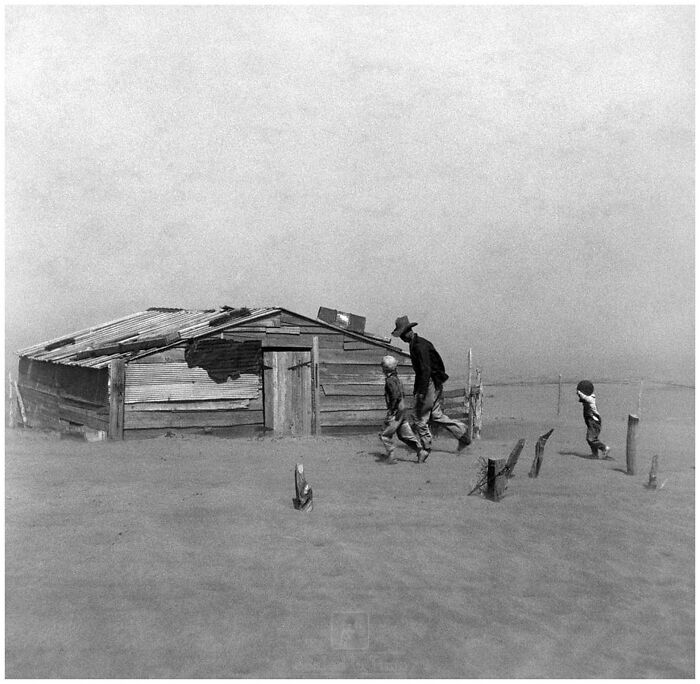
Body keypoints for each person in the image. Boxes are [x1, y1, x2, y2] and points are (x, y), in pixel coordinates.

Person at [391, 316, 471, 462]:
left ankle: (425, 449)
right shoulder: (416, 343)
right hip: (432, 382)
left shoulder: (419, 346)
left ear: (408, 332)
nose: (401, 338)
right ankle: (462, 434)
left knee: (420, 417)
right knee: (436, 415)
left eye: (402, 334)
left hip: (429, 382)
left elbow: (425, 370)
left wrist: (421, 392)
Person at [378, 355, 427, 464]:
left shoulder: (390, 380)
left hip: (396, 411)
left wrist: (392, 410)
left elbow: (396, 395)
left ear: (385, 368)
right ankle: (421, 451)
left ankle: (391, 456)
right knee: (405, 435)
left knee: (384, 434)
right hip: (402, 409)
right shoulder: (397, 379)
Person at [576, 380, 611, 459]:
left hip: (594, 422)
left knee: (590, 438)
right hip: (590, 422)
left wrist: (579, 391)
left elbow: (584, 397)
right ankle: (595, 454)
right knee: (592, 439)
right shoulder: (587, 398)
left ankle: (604, 448)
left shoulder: (591, 398)